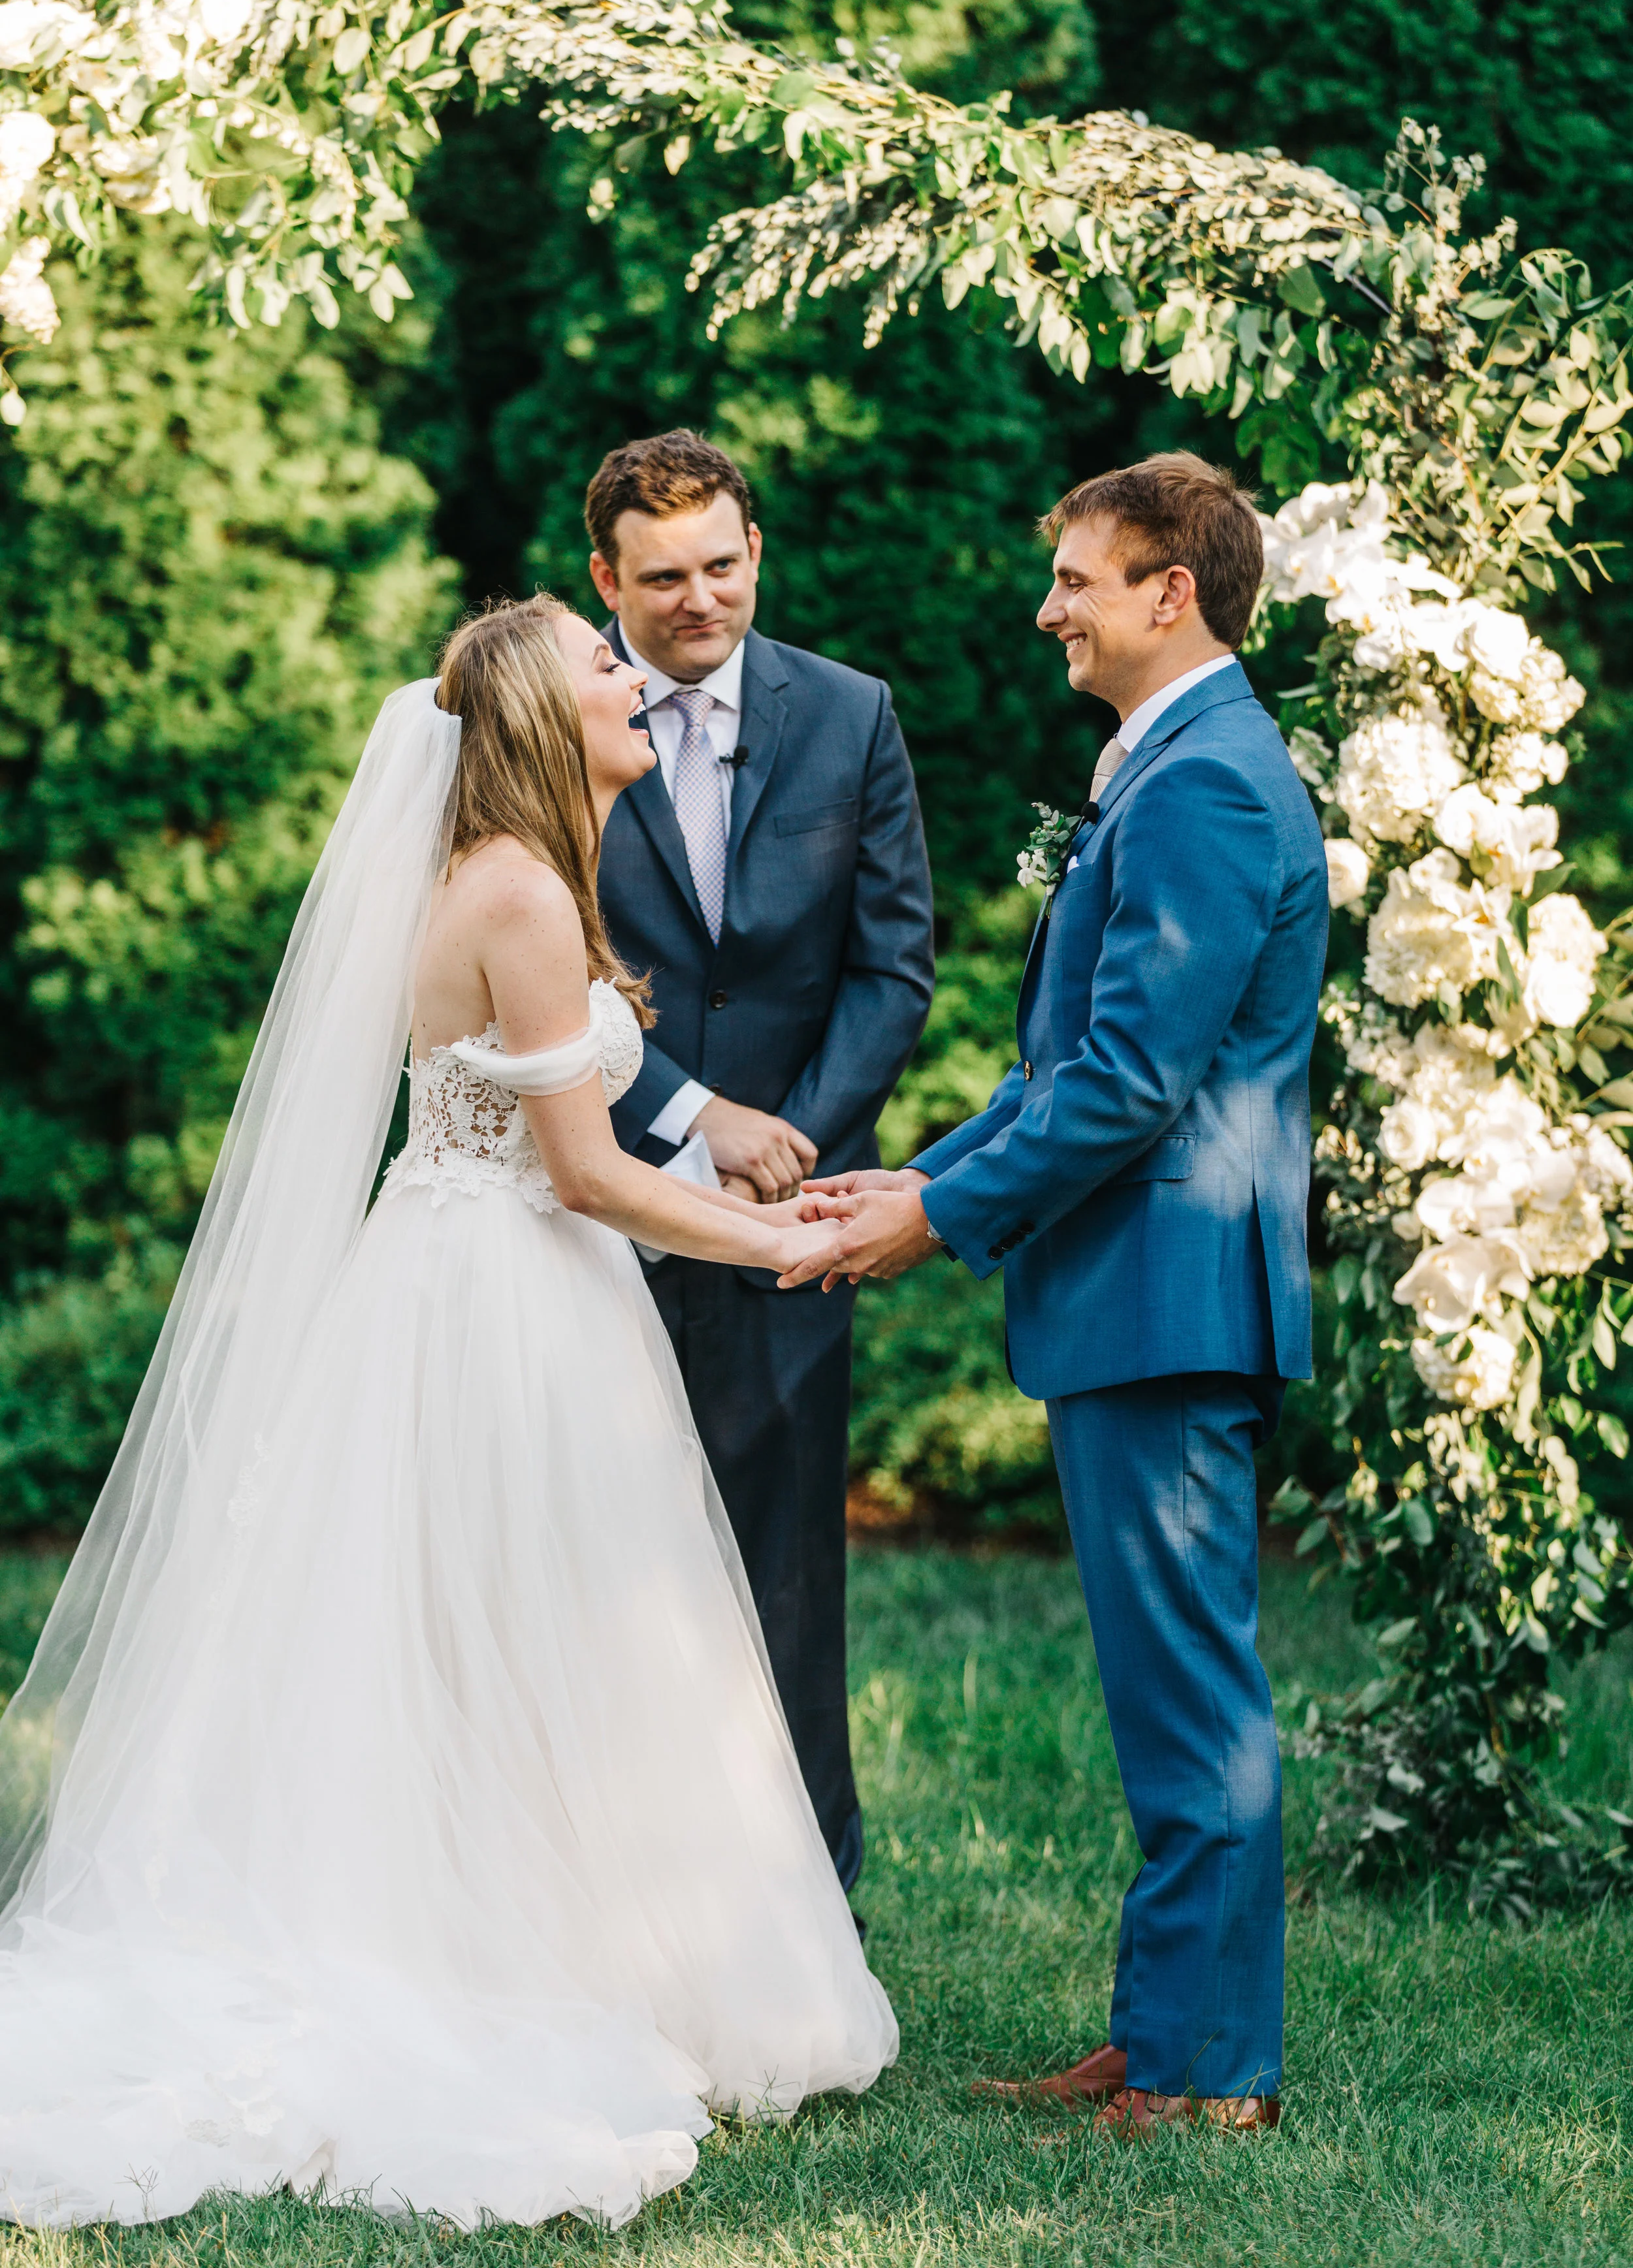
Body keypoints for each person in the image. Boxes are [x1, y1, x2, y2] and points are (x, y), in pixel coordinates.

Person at [0, 598, 896, 2231]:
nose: (638, 677)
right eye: (603, 667)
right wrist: (786, 1239)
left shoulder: (522, 875)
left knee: (520, 1637)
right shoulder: (522, 890)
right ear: (545, 719)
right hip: (501, 1293)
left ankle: (566, 1932)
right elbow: (588, 1170)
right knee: (525, 1629)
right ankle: (507, 1961)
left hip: (489, 1279)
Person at [793, 454, 1328, 2135]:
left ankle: (1208, 2072)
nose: (1048, 610)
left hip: (1170, 1299)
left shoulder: (1206, 786)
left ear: (1170, 590)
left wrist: (941, 1221)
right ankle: (1163, 2033)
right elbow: (1073, 1062)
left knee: (1190, 1693)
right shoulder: (1171, 767)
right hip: (1146, 1292)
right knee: (1165, 1687)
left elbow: (1128, 1087)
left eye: (1078, 581)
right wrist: (924, 1171)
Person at [586, 430, 935, 1899]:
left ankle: (804, 1910)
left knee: (786, 1572)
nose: (697, 600)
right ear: (604, 578)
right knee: (588, 1562)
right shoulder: (550, 723)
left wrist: (780, 1149)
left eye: (720, 566)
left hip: (789, 1222)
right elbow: (520, 960)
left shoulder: (849, 717)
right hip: (589, 1199)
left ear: (753, 552)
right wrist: (689, 1116)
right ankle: (600, 1894)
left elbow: (893, 963)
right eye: (661, 577)